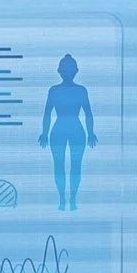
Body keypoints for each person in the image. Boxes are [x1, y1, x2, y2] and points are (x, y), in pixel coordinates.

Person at [36, 53, 98, 210]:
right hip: (67, 130)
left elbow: (88, 114)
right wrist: (44, 133)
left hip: (67, 129)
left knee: (71, 166)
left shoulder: (76, 90)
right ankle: (64, 199)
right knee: (64, 166)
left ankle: (70, 199)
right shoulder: (58, 90)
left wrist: (91, 132)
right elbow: (47, 114)